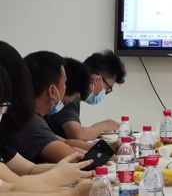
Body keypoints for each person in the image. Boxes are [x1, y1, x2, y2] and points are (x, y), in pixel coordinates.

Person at [0, 46, 93, 193]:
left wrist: (64, 170)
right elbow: (11, 189)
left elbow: (26, 172)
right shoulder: (29, 122)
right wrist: (71, 192)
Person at [14, 52, 90, 163]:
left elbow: (65, 142)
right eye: (65, 83)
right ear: (52, 91)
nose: (66, 87)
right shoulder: (30, 121)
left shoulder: (28, 116)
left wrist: (106, 149)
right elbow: (73, 159)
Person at [47, 50, 126, 141]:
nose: (104, 93)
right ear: (97, 80)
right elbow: (78, 135)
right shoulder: (68, 97)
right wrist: (105, 125)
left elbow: (67, 141)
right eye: (107, 89)